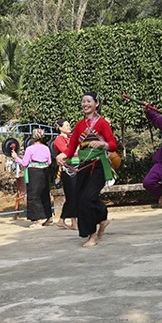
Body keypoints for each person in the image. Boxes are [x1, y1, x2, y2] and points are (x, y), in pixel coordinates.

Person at [56, 92, 116, 247]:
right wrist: (62, 156)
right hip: (83, 166)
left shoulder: (102, 123)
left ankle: (93, 236)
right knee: (81, 198)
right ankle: (102, 219)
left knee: (87, 198)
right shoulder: (79, 125)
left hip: (99, 165)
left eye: (89, 101)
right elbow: (71, 148)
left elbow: (113, 144)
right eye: (83, 101)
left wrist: (102, 145)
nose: (85, 104)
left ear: (96, 103)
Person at [12, 128, 53, 228]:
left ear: (32, 137)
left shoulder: (30, 149)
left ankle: (38, 220)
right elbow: (50, 162)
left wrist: (16, 157)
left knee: (34, 195)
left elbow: (24, 163)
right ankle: (48, 217)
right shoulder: (46, 148)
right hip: (44, 171)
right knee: (44, 193)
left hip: (34, 172)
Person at [53, 119, 78, 230]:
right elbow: (67, 152)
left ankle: (65, 220)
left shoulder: (70, 138)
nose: (69, 127)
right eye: (66, 125)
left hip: (76, 168)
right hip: (68, 171)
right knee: (72, 196)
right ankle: (71, 221)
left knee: (74, 196)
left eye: (69, 125)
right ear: (60, 128)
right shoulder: (58, 140)